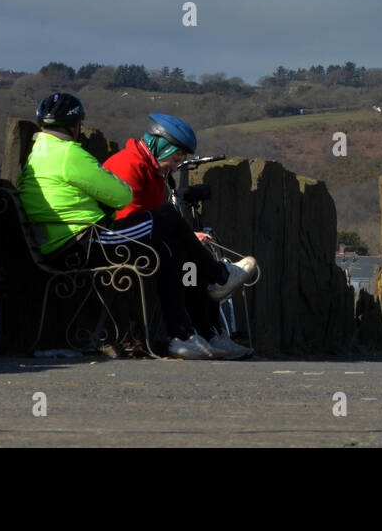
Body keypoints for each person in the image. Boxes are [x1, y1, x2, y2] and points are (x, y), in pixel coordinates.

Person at [17, 92, 255, 359]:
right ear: (75, 126)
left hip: (72, 241)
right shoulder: (76, 155)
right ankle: (217, 282)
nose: (176, 165)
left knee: (180, 254)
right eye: (175, 158)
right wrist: (176, 229)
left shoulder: (41, 153)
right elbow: (123, 199)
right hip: (85, 241)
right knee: (172, 230)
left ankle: (198, 333)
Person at [103, 113, 255, 359]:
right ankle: (213, 286)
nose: (176, 166)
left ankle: (206, 333)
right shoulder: (128, 164)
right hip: (116, 242)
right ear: (160, 145)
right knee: (175, 249)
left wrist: (186, 236)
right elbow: (128, 220)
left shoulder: (154, 173)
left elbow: (149, 221)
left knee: (188, 262)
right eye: (175, 158)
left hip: (139, 240)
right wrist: (181, 233)